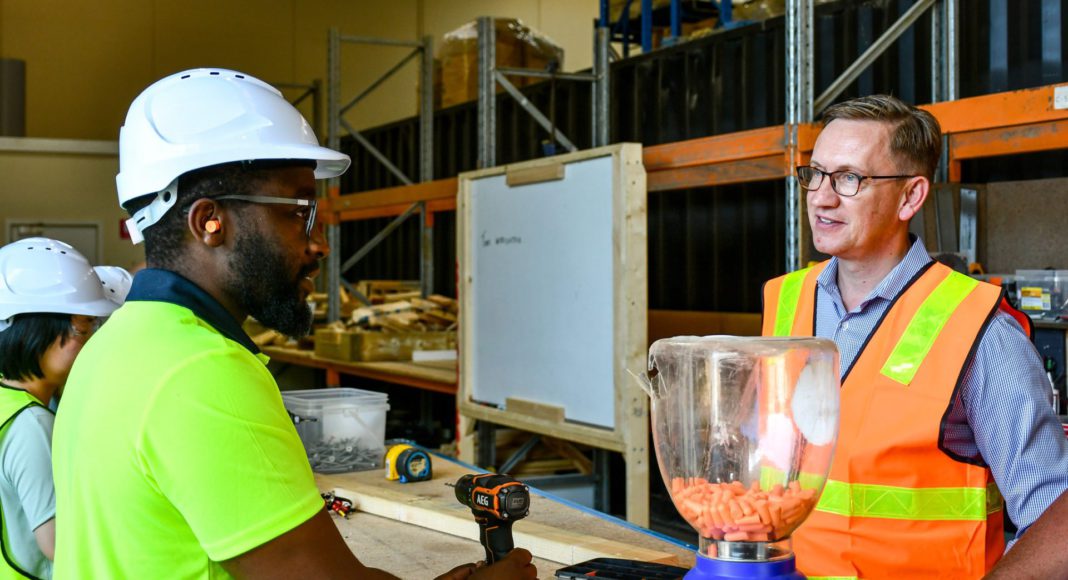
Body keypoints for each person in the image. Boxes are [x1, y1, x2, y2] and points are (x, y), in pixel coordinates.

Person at [51, 68, 536, 579]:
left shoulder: (116, 343)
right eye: (299, 212)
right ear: (209, 222)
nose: (319, 244)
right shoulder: (201, 372)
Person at [761, 94, 1068, 578]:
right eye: (815, 174)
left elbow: (1058, 522)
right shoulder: (785, 301)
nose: (820, 197)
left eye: (848, 178)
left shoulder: (979, 330)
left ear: (910, 196)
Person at [0, 237, 119, 578]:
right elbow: (57, 543)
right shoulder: (32, 424)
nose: (91, 342)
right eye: (83, 329)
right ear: (37, 332)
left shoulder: (10, 400)